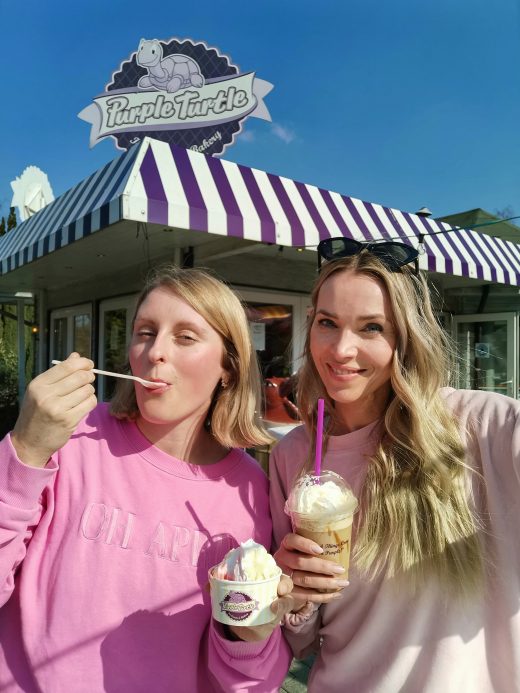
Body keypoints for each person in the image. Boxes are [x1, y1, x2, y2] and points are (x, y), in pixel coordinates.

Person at [0, 265, 294, 692]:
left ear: (229, 366)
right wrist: (24, 449)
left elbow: (253, 680)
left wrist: (248, 633)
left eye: (185, 337)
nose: (155, 351)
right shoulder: (72, 437)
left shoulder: (248, 491)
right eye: (145, 332)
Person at [269, 237, 520, 693]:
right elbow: (300, 641)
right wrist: (295, 592)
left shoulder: (484, 426)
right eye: (328, 323)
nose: (341, 350)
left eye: (371, 328)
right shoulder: (293, 454)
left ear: (404, 336)